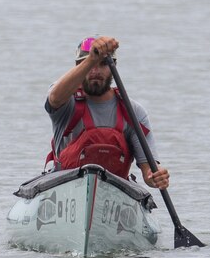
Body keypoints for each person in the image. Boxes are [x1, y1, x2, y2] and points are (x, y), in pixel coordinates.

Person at [45, 36, 170, 190]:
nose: (95, 71)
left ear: (113, 67)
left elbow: (148, 170)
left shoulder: (134, 112)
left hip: (114, 193)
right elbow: (54, 98)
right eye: (89, 65)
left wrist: (155, 177)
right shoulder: (65, 100)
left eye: (103, 64)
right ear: (79, 67)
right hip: (65, 188)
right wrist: (91, 58)